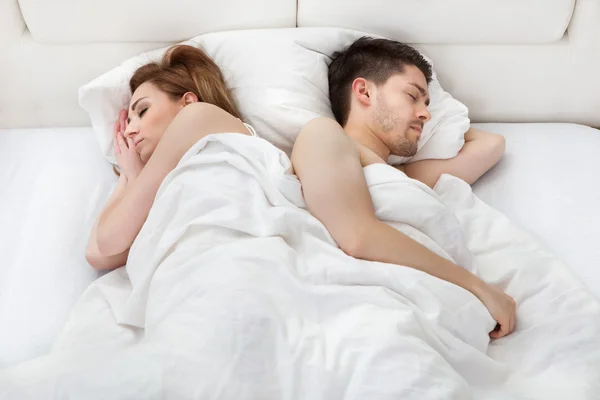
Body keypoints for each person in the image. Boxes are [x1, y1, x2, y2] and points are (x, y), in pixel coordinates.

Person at [290, 37, 516, 338]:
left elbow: (492, 145)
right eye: (413, 96)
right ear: (363, 91)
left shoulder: (405, 177)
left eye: (427, 104)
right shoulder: (323, 134)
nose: (426, 114)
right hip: (369, 315)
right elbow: (357, 236)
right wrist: (477, 287)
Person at [85, 44, 256, 271]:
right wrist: (129, 175)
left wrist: (137, 177)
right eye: (127, 123)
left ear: (187, 102)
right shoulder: (161, 183)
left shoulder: (201, 116)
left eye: (142, 111)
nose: (128, 131)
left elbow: (109, 239)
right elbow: (98, 253)